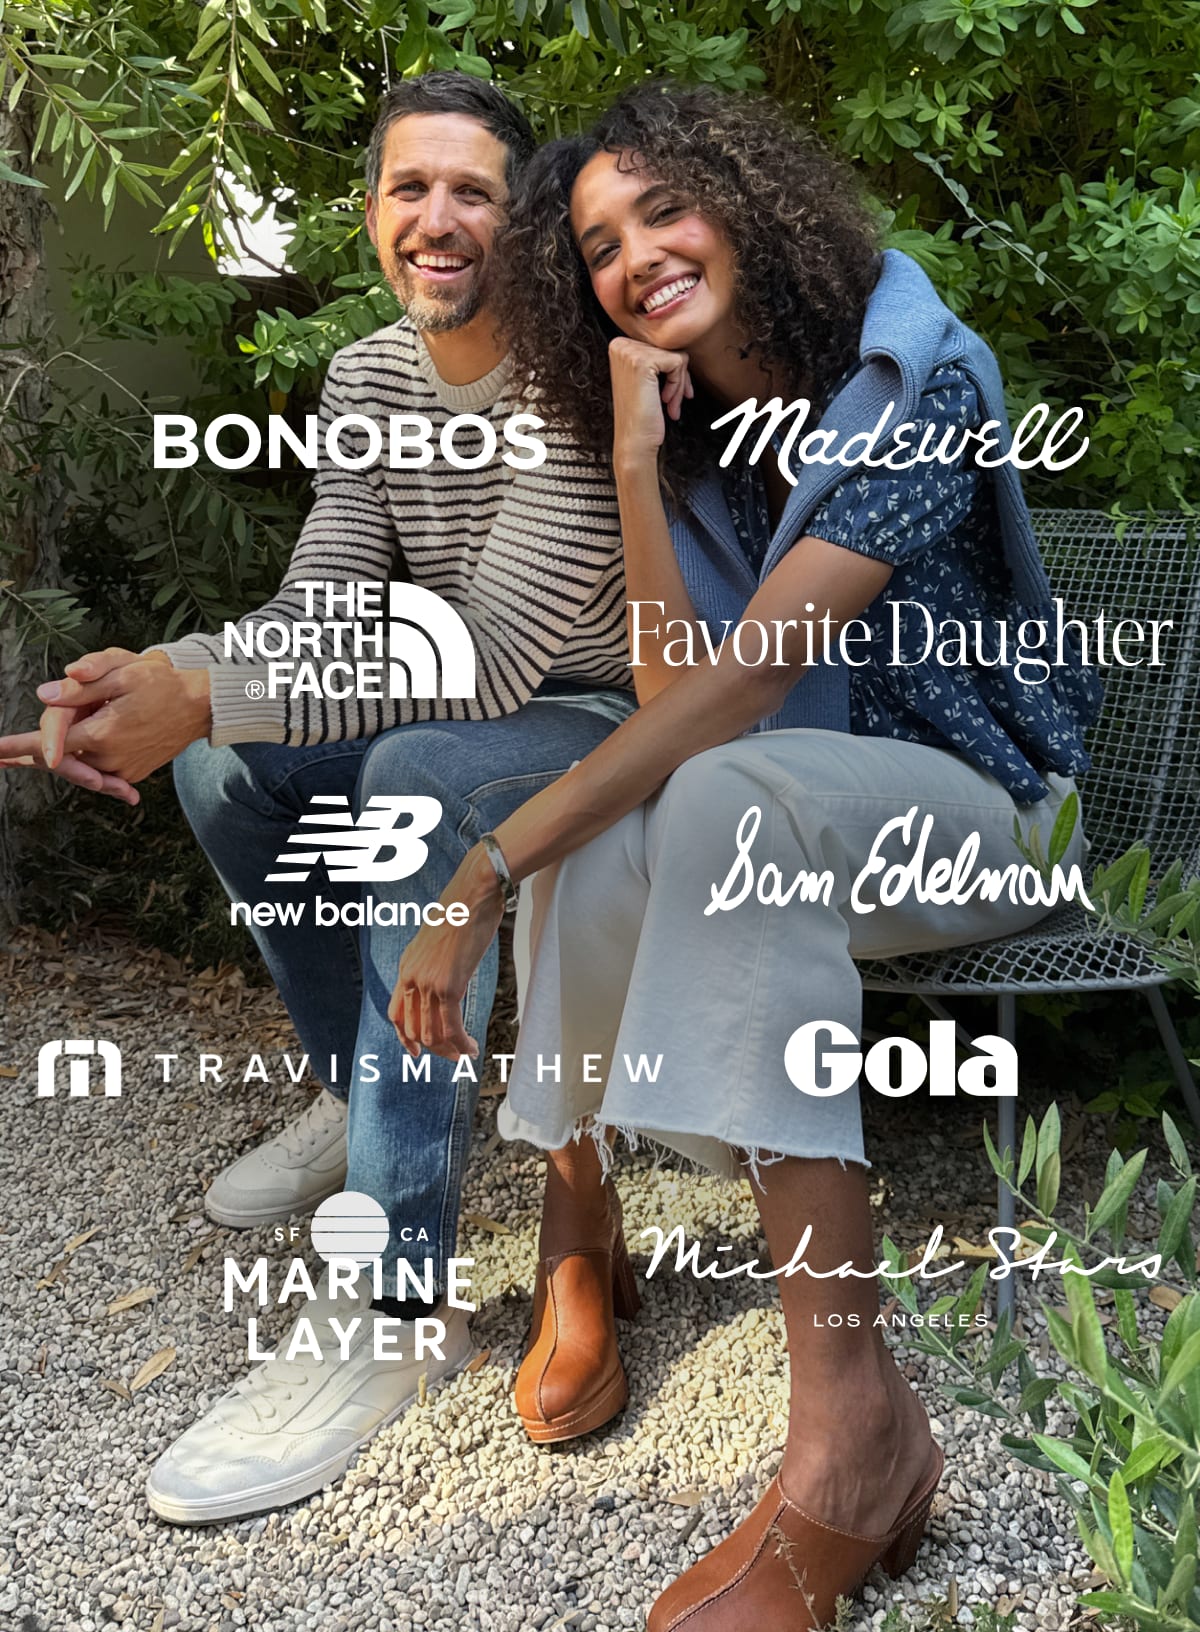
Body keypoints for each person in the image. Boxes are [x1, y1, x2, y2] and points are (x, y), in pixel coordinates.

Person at [386, 82, 1101, 1629]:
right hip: (808, 807)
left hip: (987, 815)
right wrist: (642, 468)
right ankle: (586, 1216)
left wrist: (482, 867)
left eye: (663, 208)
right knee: (644, 798)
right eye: (594, 244)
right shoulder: (706, 440)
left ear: (744, 200)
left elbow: (746, 687)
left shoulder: (917, 375)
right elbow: (669, 708)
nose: (635, 256)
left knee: (702, 803)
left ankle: (853, 1438)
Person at [0, 71, 638, 1523]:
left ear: (526, 222)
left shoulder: (576, 370)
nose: (438, 218)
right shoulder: (366, 379)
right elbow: (327, 603)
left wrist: (203, 678)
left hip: (594, 713)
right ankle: (369, 1100)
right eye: (410, 189)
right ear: (370, 219)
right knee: (230, 762)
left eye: (473, 189)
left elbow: (496, 653)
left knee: (411, 775)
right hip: (441, 697)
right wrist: (174, 683)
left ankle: (396, 1310)